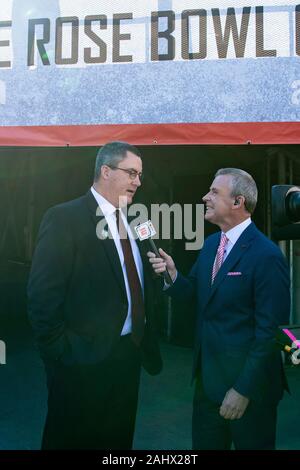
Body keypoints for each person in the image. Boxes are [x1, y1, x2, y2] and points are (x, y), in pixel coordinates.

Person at [27, 141, 162, 450]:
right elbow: (41, 296)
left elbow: (133, 279)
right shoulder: (64, 218)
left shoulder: (137, 220)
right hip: (80, 364)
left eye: (140, 175)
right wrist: (61, 354)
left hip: (129, 354)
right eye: (131, 173)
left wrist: (157, 274)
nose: (138, 182)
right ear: (105, 171)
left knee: (117, 442)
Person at [148, 168, 290, 450]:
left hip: (250, 392)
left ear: (238, 202)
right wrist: (173, 276)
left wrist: (242, 390)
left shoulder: (267, 255)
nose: (205, 197)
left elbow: (270, 334)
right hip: (207, 386)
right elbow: (196, 294)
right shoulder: (212, 244)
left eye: (214, 192)